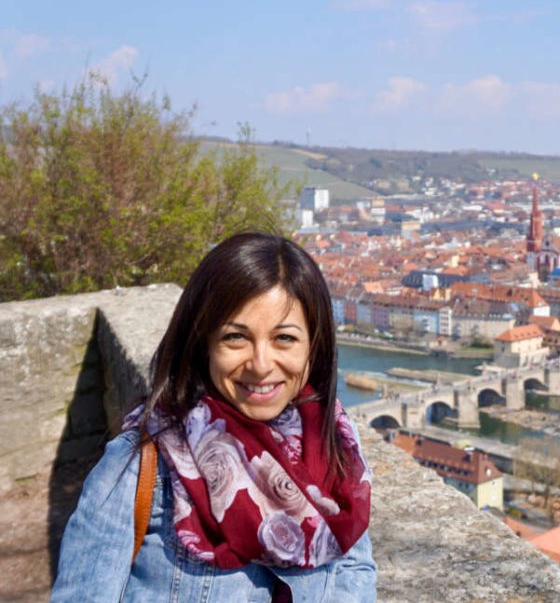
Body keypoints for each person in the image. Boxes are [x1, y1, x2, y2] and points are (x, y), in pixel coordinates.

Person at [52, 233, 376, 601]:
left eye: (284, 338)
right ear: (202, 342)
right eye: (235, 338)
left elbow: (354, 567)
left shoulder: (334, 441)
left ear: (313, 346)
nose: (261, 364)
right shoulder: (142, 462)